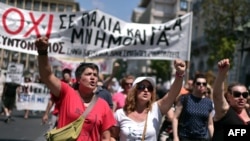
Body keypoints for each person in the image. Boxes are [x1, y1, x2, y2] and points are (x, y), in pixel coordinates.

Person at [35, 36, 116, 140]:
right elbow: (47, 76)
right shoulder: (67, 93)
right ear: (78, 79)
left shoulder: (103, 105)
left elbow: (106, 137)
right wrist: (42, 52)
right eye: (88, 74)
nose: (93, 78)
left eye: (95, 75)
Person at [111, 59, 186, 141]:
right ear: (134, 91)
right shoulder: (120, 114)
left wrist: (180, 74)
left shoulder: (157, 109)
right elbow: (113, 137)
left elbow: (172, 94)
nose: (146, 90)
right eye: (141, 87)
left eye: (150, 88)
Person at [212, 58, 250, 141]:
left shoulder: (248, 112)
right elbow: (217, 96)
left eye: (245, 95)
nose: (241, 97)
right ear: (228, 97)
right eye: (237, 94)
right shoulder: (224, 112)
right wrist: (222, 73)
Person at [172, 73, 214, 141]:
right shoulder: (185, 98)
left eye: (204, 84)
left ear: (206, 87)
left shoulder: (208, 102)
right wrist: (175, 137)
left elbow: (210, 124)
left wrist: (213, 138)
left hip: (201, 138)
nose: (201, 85)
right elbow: (175, 118)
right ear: (194, 85)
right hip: (185, 137)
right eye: (198, 83)